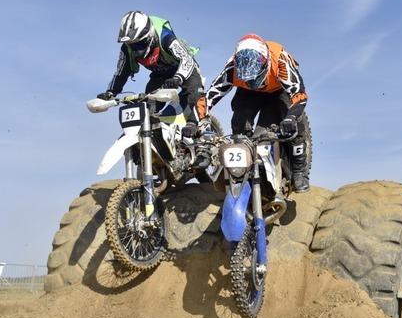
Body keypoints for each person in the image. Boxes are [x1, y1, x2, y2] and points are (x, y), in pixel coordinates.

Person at [189, 34, 311, 192]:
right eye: (247, 78)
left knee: (294, 123)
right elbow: (209, 97)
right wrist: (193, 121)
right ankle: (245, 167)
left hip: (279, 90)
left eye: (254, 78)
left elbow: (299, 95)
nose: (253, 82)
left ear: (265, 62)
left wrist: (291, 118)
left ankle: (299, 171)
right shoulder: (232, 68)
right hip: (248, 93)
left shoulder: (280, 60)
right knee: (239, 121)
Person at [98, 11, 203, 125]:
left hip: (184, 69)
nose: (136, 50)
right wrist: (110, 93)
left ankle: (195, 126)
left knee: (193, 91)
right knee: (148, 108)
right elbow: (121, 73)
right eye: (132, 45)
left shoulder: (165, 37)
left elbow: (186, 59)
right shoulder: (127, 49)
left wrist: (178, 77)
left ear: (149, 36)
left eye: (139, 44)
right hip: (160, 76)